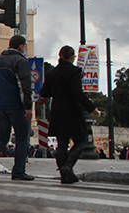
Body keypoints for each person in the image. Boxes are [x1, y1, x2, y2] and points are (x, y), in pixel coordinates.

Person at [39, 45, 101, 183]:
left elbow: (44, 92)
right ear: (72, 57)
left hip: (56, 111)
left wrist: (56, 90)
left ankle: (64, 175)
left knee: (62, 143)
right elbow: (77, 93)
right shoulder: (75, 71)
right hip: (72, 111)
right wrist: (92, 108)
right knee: (81, 140)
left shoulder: (51, 73)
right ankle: (67, 166)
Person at [0, 35, 34, 181]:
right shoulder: (20, 61)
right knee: (22, 137)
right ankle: (19, 171)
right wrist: (28, 107)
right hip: (16, 106)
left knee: (2, 136)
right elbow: (24, 86)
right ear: (21, 46)